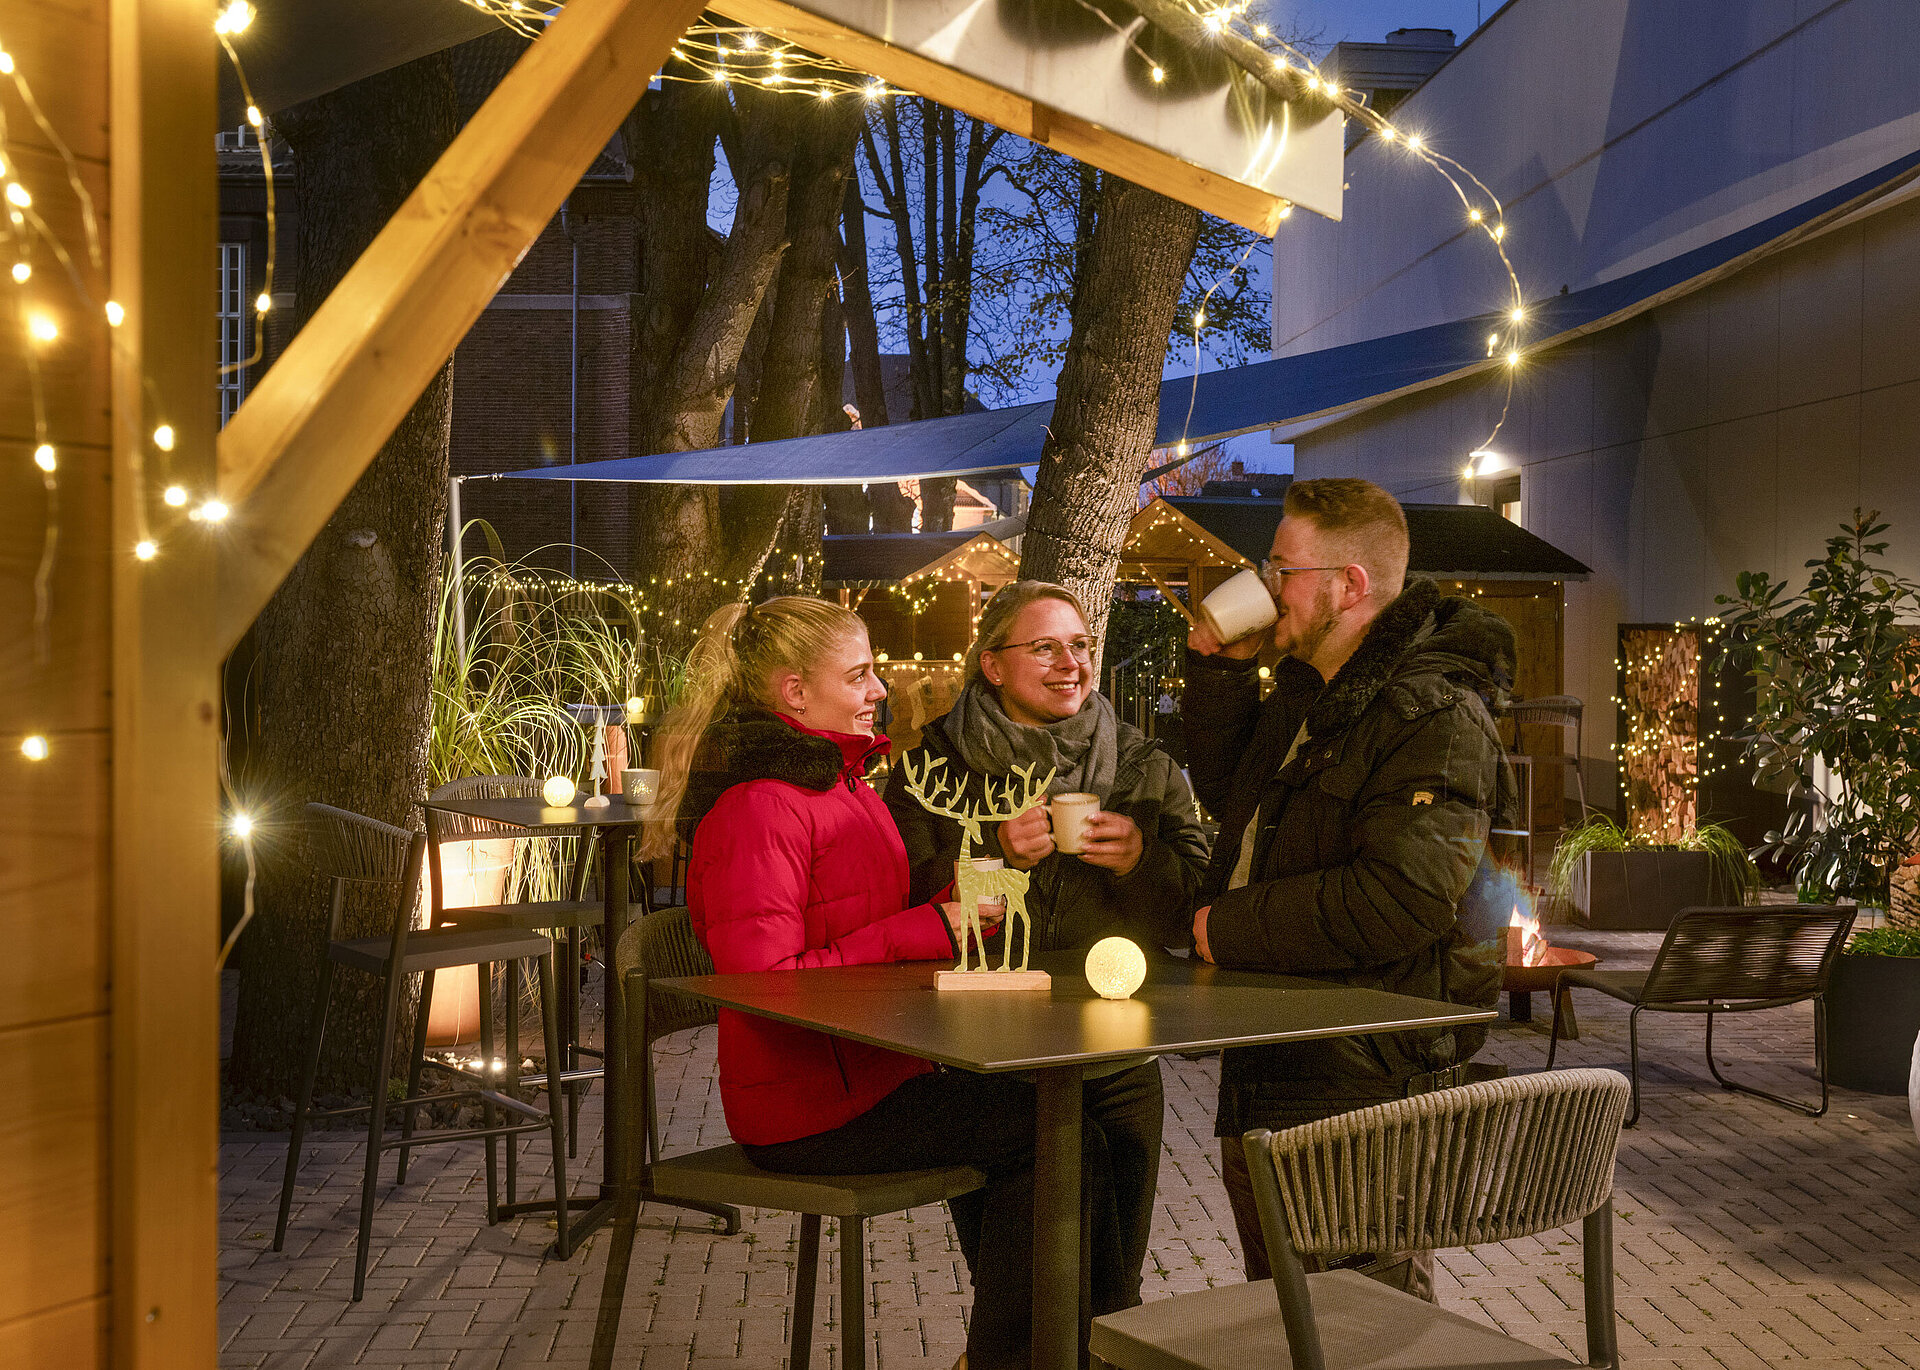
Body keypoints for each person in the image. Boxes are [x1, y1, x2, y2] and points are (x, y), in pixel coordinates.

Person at [646, 595, 1125, 1370]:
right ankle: (1028, 1357)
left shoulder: (844, 784)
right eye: (861, 674)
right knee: (1051, 1139)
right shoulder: (757, 808)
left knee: (1056, 1126)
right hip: (806, 1112)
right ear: (795, 693)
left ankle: (1041, 1352)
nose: (880, 690)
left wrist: (970, 897)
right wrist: (922, 932)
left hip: (872, 1074)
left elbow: (866, 924)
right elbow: (761, 984)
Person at [1183, 478, 1513, 1298]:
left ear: (1350, 585)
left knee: (1365, 1316)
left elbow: (1400, 899)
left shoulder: (1430, 713)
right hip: (1283, 1047)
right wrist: (1220, 674)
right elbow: (1237, 803)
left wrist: (1224, 928)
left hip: (1364, 1071)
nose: (1268, 587)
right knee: (1295, 1311)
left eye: (1283, 568)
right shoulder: (1315, 691)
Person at [885, 580, 1211, 1308]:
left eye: (1081, 645)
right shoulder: (934, 769)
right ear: (993, 664)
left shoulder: (1140, 765)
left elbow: (1193, 897)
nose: (1071, 662)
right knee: (1014, 1284)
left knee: (1114, 1286)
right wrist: (991, 858)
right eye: (1045, 647)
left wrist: (1140, 859)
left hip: (1115, 1054)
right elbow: (895, 893)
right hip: (985, 1058)